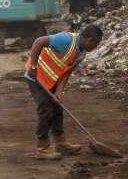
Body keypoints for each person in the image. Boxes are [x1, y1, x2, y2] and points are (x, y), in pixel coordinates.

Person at [24, 24, 103, 160]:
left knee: (57, 108)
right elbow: (39, 41)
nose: (96, 47)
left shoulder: (81, 53)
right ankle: (41, 148)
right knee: (45, 109)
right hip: (36, 77)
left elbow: (66, 72)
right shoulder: (65, 39)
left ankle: (61, 143)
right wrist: (32, 65)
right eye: (96, 44)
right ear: (89, 40)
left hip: (53, 80)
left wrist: (59, 92)